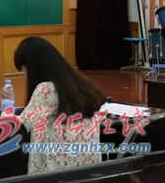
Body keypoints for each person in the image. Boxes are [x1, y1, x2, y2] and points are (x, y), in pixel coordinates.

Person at [13, 37, 107, 174]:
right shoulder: (82, 83)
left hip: (57, 173)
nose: (26, 76)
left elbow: (22, 126)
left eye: (25, 70)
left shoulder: (47, 90)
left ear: (33, 67)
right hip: (89, 170)